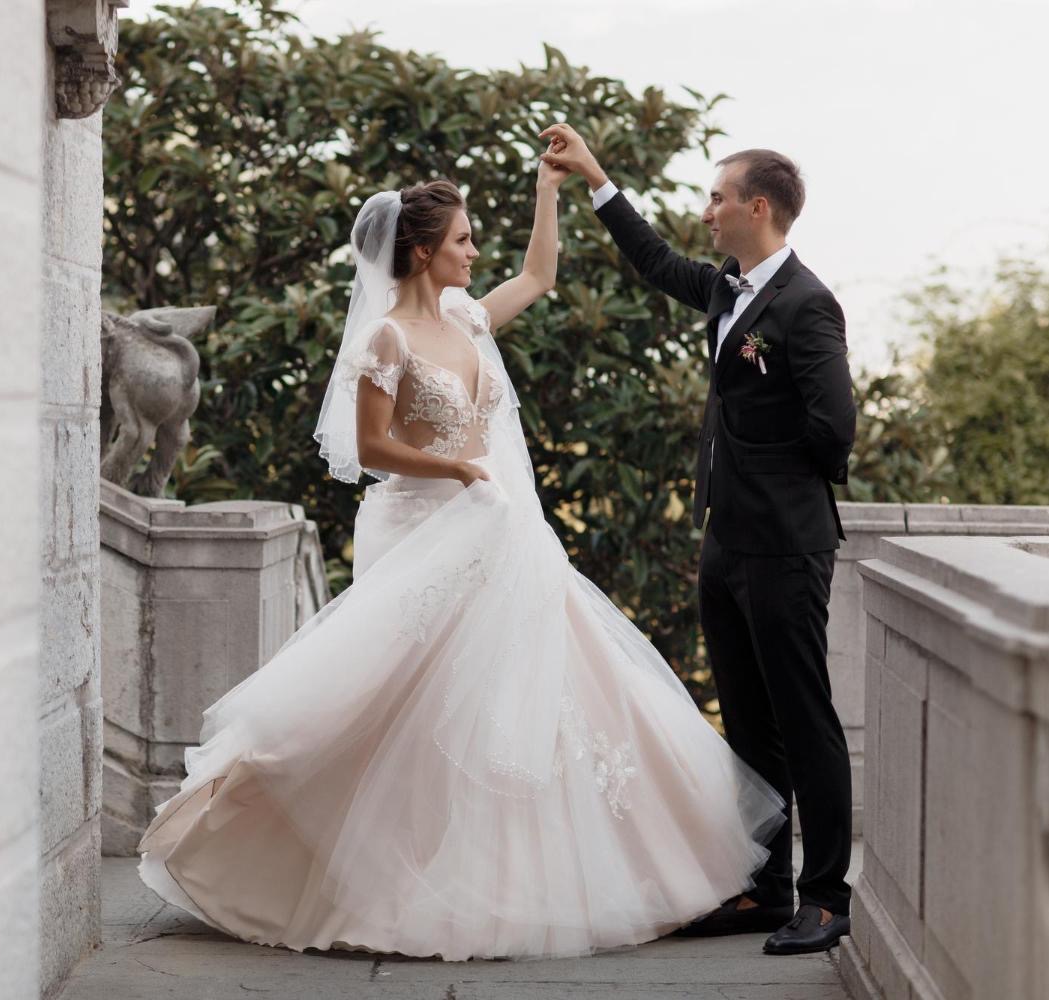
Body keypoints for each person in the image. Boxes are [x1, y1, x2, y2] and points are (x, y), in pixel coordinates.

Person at [135, 141, 787, 962]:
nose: (475, 254)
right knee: (403, 707)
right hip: (429, 533)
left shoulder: (465, 319)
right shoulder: (385, 341)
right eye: (463, 242)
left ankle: (541, 873)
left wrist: (549, 190)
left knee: (535, 697)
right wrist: (453, 465)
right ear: (421, 252)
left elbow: (539, 277)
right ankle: (338, 860)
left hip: (499, 533)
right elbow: (372, 447)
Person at [540, 123, 856, 955]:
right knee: (746, 723)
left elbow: (835, 431)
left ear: (758, 207)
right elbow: (650, 261)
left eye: (717, 197)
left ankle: (825, 896)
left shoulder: (807, 304)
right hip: (726, 543)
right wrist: (595, 175)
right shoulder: (726, 287)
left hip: (787, 543)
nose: (706, 210)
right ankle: (763, 889)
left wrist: (754, 465)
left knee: (803, 718)